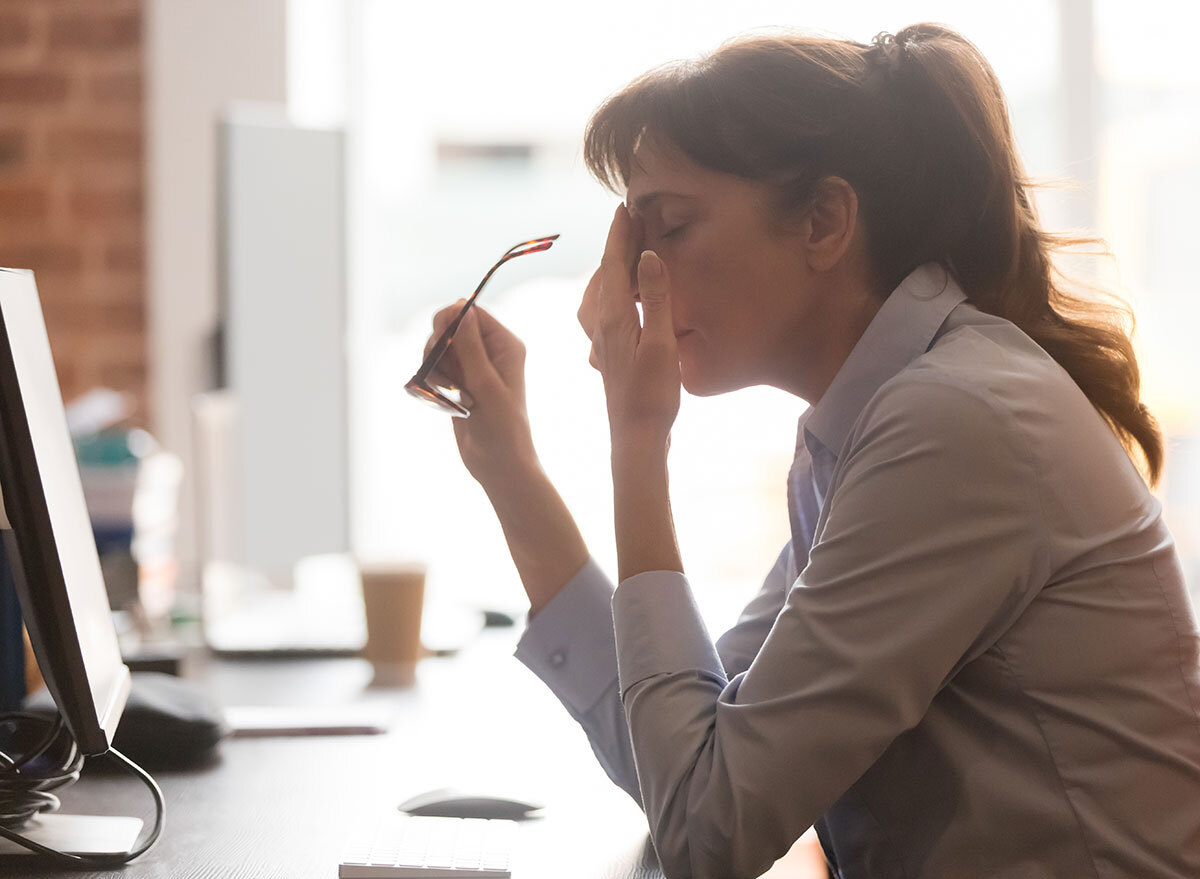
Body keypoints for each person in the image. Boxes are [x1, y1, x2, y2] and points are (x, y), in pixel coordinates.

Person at [420, 23, 1200, 879]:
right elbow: (684, 750)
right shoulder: (873, 421)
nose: (633, 270)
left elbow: (709, 831)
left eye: (669, 227)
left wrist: (637, 441)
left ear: (824, 220)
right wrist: (513, 474)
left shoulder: (952, 424)